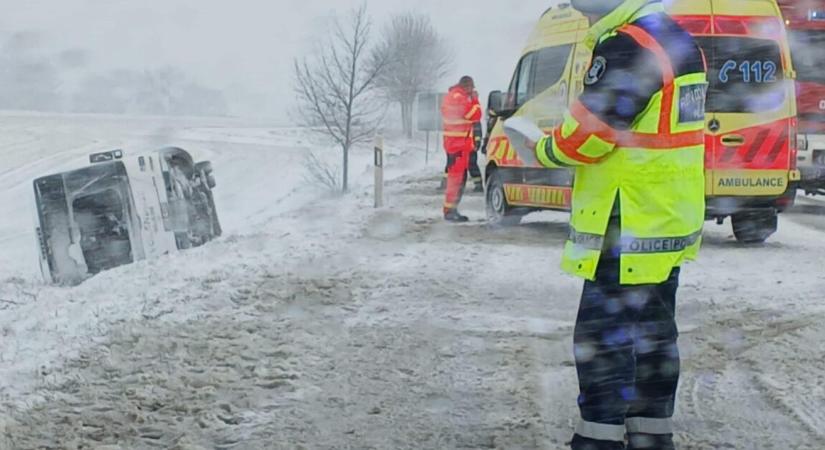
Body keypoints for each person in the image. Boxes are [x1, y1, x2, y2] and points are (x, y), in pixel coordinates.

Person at [511, 0, 708, 448]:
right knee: (655, 333)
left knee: (605, 337)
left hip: (628, 218)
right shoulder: (677, 38)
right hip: (665, 217)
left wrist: (540, 151)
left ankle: (597, 439)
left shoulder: (629, 44)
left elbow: (590, 134)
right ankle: (651, 434)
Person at [441, 75, 482, 222]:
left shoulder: (452, 95)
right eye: (472, 89)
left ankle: (451, 209)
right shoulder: (459, 97)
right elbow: (475, 115)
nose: (472, 91)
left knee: (458, 178)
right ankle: (450, 211)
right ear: (467, 86)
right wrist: (475, 100)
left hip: (456, 144)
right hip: (457, 145)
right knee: (457, 180)